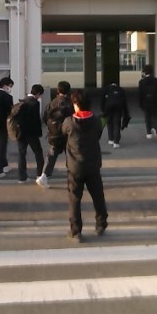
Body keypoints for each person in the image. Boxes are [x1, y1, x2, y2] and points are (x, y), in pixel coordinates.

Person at [62, 89, 108, 242]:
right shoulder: (96, 120)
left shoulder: (69, 122)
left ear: (75, 104)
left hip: (75, 166)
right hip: (93, 163)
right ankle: (101, 223)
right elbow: (98, 133)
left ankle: (76, 231)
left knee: (75, 198)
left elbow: (63, 133)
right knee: (98, 195)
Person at [36, 80, 73, 188]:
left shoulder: (52, 103)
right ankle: (72, 178)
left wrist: (51, 127)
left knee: (51, 155)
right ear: (69, 91)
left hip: (54, 134)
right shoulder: (69, 103)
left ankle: (44, 176)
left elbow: (45, 118)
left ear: (58, 90)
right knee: (71, 155)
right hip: (67, 134)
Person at [16, 83, 45, 184]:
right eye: (40, 95)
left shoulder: (22, 101)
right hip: (31, 133)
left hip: (21, 132)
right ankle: (39, 174)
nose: (40, 97)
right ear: (38, 93)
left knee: (22, 154)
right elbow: (36, 120)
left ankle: (22, 177)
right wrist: (39, 132)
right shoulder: (35, 103)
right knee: (38, 153)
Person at [100, 80, 130, 148]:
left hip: (108, 109)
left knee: (109, 123)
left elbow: (102, 101)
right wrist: (125, 112)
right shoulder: (121, 90)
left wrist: (103, 110)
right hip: (118, 109)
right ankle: (116, 142)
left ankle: (111, 139)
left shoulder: (105, 89)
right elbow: (124, 102)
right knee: (117, 124)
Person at [138, 64, 157, 139]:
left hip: (146, 102)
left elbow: (140, 94)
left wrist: (140, 104)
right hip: (155, 101)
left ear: (144, 72)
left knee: (147, 117)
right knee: (155, 116)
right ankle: (154, 127)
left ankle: (148, 133)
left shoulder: (141, 82)